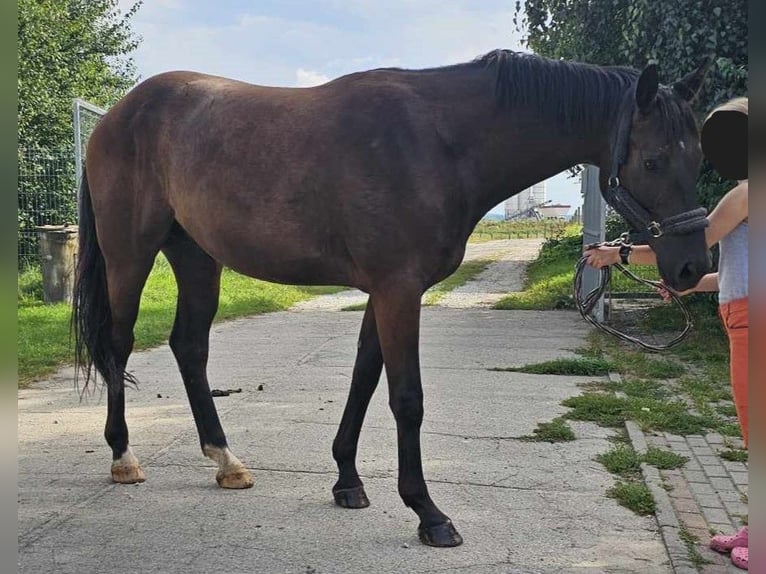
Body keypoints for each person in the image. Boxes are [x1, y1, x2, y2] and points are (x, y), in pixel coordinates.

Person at [583, 96, 748, 570]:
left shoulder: (746, 195)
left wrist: (618, 253)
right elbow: (743, 273)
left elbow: (689, 242)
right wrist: (690, 287)